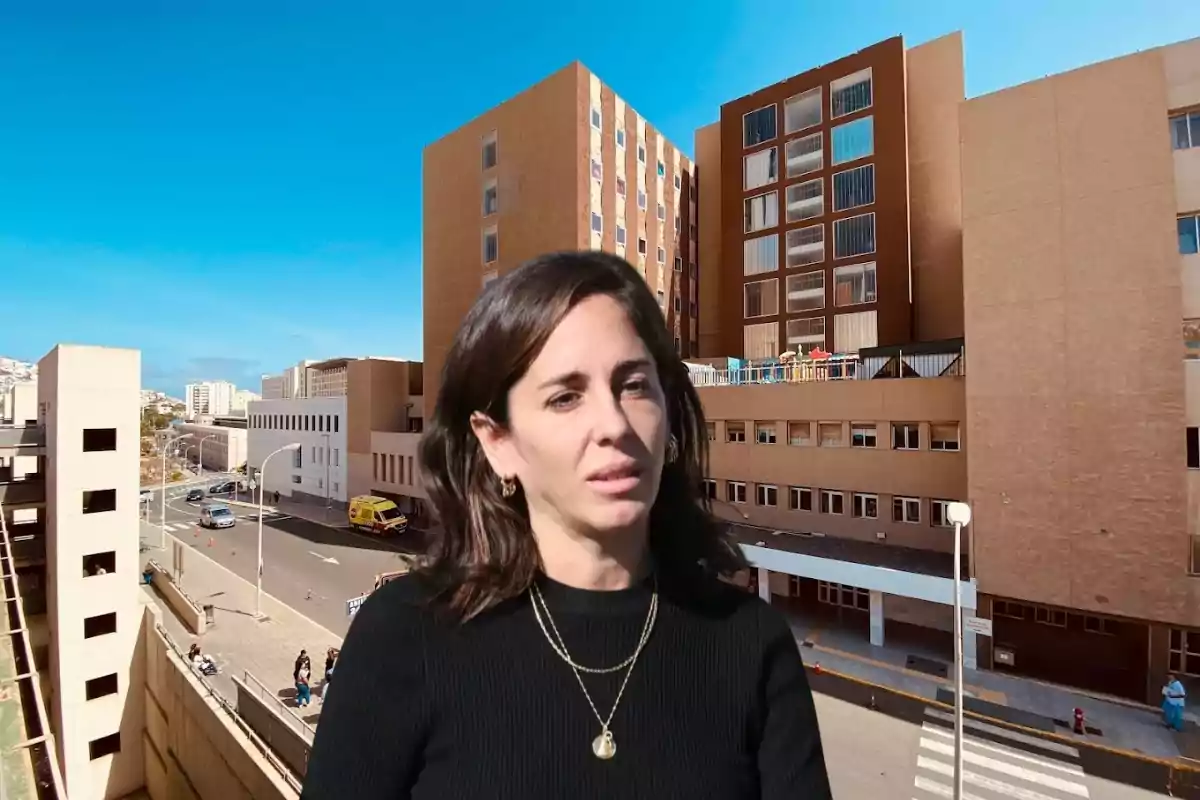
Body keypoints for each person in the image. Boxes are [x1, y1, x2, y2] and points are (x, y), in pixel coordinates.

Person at [303, 251, 831, 799]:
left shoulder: (750, 645)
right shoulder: (403, 638)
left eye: (634, 385)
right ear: (497, 442)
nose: (613, 424)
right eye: (565, 397)